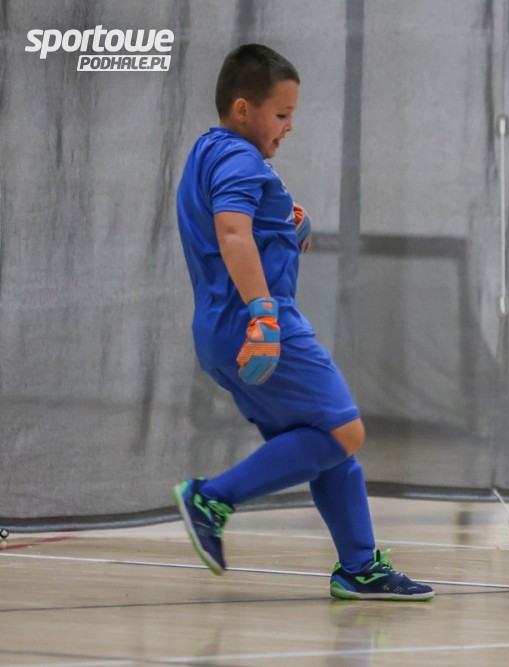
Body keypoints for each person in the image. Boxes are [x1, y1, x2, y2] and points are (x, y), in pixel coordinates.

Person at [173, 43, 432, 601]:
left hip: (218, 330)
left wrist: (284, 219)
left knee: (322, 442)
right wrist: (264, 317)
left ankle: (358, 567)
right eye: (282, 114)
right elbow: (233, 234)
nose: (289, 126)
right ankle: (210, 498)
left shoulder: (209, 152)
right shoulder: (241, 160)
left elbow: (237, 219)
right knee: (344, 431)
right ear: (244, 109)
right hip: (260, 324)